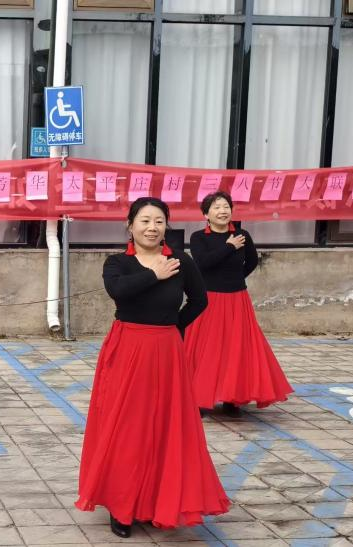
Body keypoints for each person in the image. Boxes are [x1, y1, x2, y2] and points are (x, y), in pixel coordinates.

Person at [75, 197, 229, 538]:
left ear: (166, 226)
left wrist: (174, 327)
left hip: (167, 349)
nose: (152, 228)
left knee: (165, 426)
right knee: (126, 427)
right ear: (130, 225)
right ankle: (121, 506)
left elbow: (200, 300)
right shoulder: (118, 263)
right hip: (127, 348)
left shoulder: (181, 261)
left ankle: (158, 500)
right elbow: (118, 291)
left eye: (159, 221)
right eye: (144, 221)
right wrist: (153, 274)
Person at [185, 191, 293, 415]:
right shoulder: (199, 237)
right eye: (216, 207)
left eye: (226, 206)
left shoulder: (242, 235)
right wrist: (229, 247)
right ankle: (199, 399)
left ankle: (231, 399)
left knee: (236, 349)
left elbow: (252, 261)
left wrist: (235, 278)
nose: (223, 211)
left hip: (237, 298)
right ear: (206, 214)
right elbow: (203, 263)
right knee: (206, 350)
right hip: (208, 299)